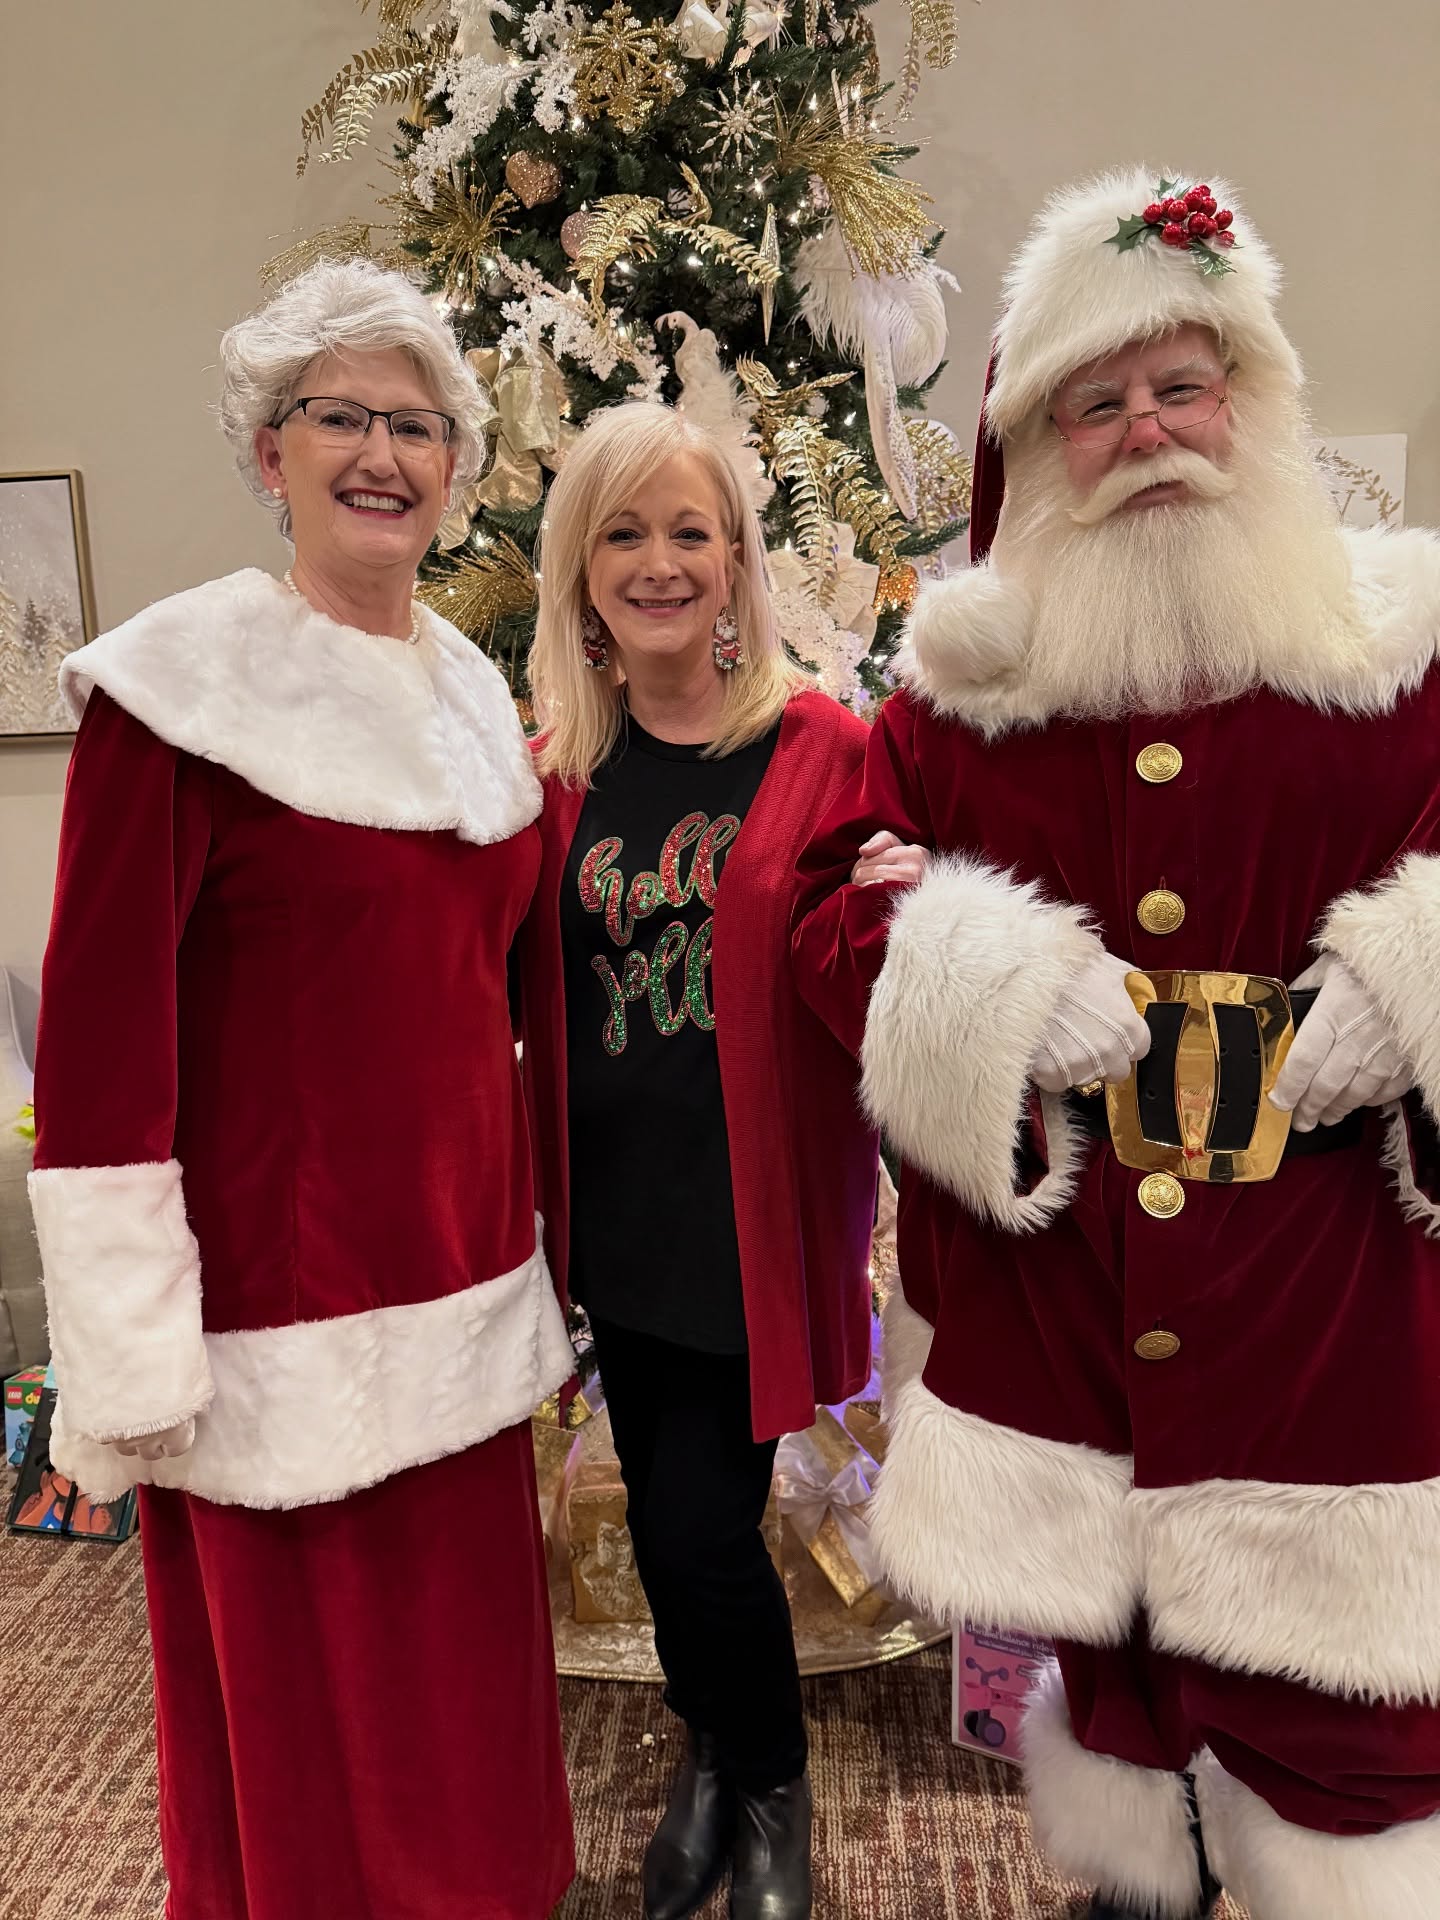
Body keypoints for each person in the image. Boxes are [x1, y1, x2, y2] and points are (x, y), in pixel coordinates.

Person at [793, 166, 1440, 1920]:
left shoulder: (1401, 642)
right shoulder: (951, 699)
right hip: (1079, 1286)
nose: (1146, 429)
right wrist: (976, 972)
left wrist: (1415, 977)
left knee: (1362, 1733)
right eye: (1098, 401)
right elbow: (829, 913)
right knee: (1129, 1683)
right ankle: (1151, 1878)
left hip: (1329, 1292)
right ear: (1041, 447)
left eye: (1180, 383)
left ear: (1251, 396)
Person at [27, 260, 576, 1920]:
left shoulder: (480, 701)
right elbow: (102, 1037)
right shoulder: (178, 696)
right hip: (278, 1312)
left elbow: (510, 992)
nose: (382, 456)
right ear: (269, 452)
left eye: (417, 427)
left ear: (457, 470)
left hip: (467, 1281)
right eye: (341, 417)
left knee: (466, 1693)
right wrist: (127, 1345)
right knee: (315, 1729)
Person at [518, 401, 877, 1920]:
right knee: (676, 1536)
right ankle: (714, 1753)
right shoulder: (553, 774)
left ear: (736, 558)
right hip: (616, 1219)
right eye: (624, 533)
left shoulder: (821, 751)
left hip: (749, 1217)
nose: (659, 562)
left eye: (690, 531)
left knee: (694, 1524)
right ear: (579, 569)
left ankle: (771, 1781)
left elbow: (876, 985)